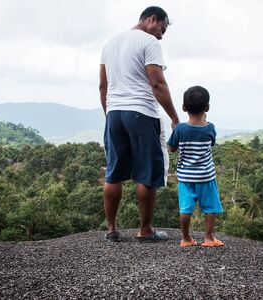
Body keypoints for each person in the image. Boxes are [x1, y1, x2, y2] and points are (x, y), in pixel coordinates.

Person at [99, 6, 180, 242]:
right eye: (162, 29)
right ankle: (145, 230)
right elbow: (157, 84)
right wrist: (175, 118)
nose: (161, 35)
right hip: (142, 112)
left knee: (113, 173)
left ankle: (112, 229)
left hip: (114, 113)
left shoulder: (110, 44)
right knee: (146, 173)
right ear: (152, 19)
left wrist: (110, 114)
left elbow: (103, 86)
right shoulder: (149, 42)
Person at [167, 86, 224, 247]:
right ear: (207, 108)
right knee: (210, 207)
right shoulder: (209, 128)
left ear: (184, 107)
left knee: (185, 208)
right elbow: (212, 143)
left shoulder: (180, 129)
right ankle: (208, 238)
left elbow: (172, 148)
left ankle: (186, 239)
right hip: (206, 176)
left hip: (185, 178)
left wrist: (175, 131)